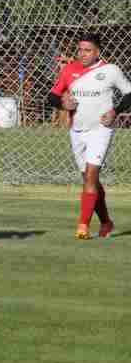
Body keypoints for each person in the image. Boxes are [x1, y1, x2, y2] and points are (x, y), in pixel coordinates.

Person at [46, 33, 131, 239]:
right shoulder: (69, 69)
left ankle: (83, 226)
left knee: (91, 176)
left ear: (97, 52)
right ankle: (106, 222)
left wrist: (115, 111)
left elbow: (129, 93)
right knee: (89, 180)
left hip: (101, 130)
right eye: (80, 50)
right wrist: (62, 104)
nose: (82, 54)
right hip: (77, 131)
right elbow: (52, 97)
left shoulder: (111, 70)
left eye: (88, 50)